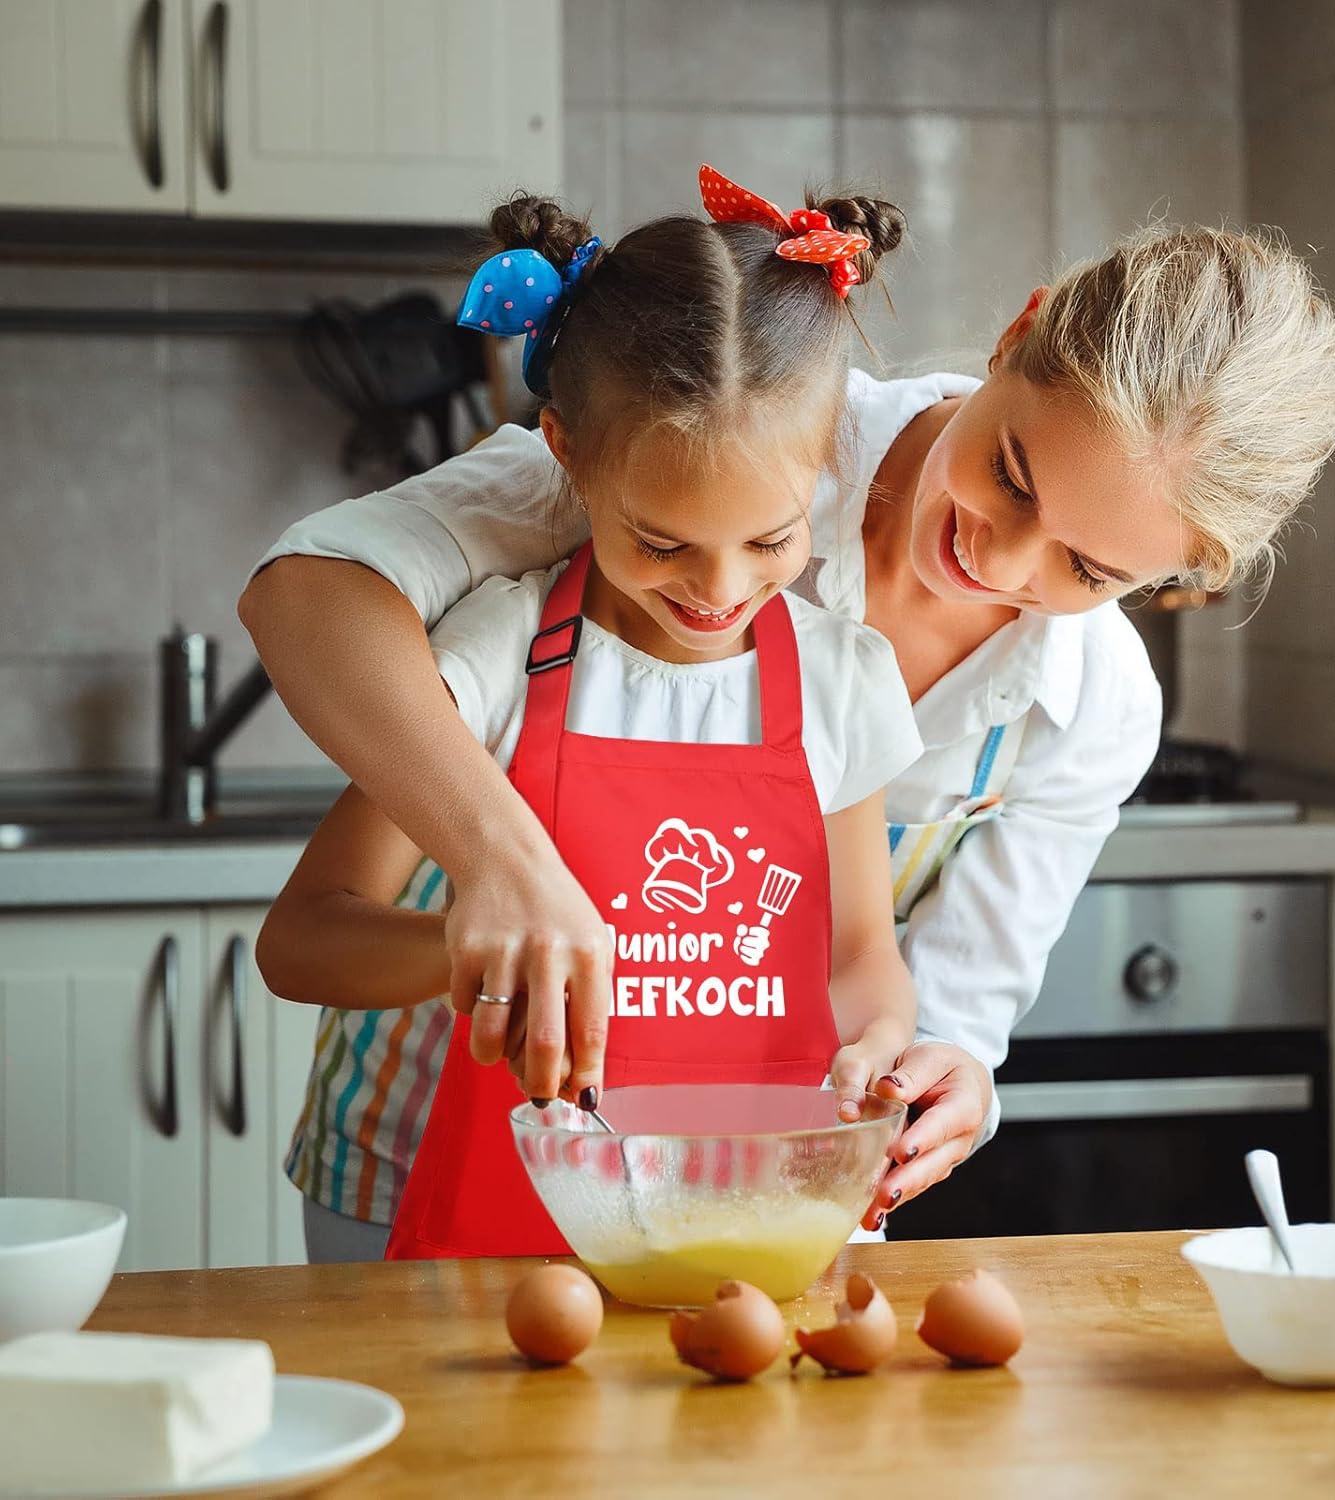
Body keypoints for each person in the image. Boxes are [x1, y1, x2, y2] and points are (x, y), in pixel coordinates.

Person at [243, 192, 1335, 1245]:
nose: (1001, 559)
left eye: (1090, 568)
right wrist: (505, 870)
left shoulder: (1084, 709)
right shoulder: (726, 430)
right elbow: (312, 593)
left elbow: (925, 1007)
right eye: (1013, 476)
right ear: (1017, 334)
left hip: (737, 1208)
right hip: (425, 1163)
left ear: (1181, 576)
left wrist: (939, 1077)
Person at [256, 170, 925, 1260]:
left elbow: (860, 953)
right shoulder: (499, 656)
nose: (719, 589)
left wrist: (881, 1039)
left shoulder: (843, 680)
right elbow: (301, 943)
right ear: (565, 452)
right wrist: (469, 945)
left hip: (761, 1229)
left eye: (771, 539)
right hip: (518, 1251)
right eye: (662, 541)